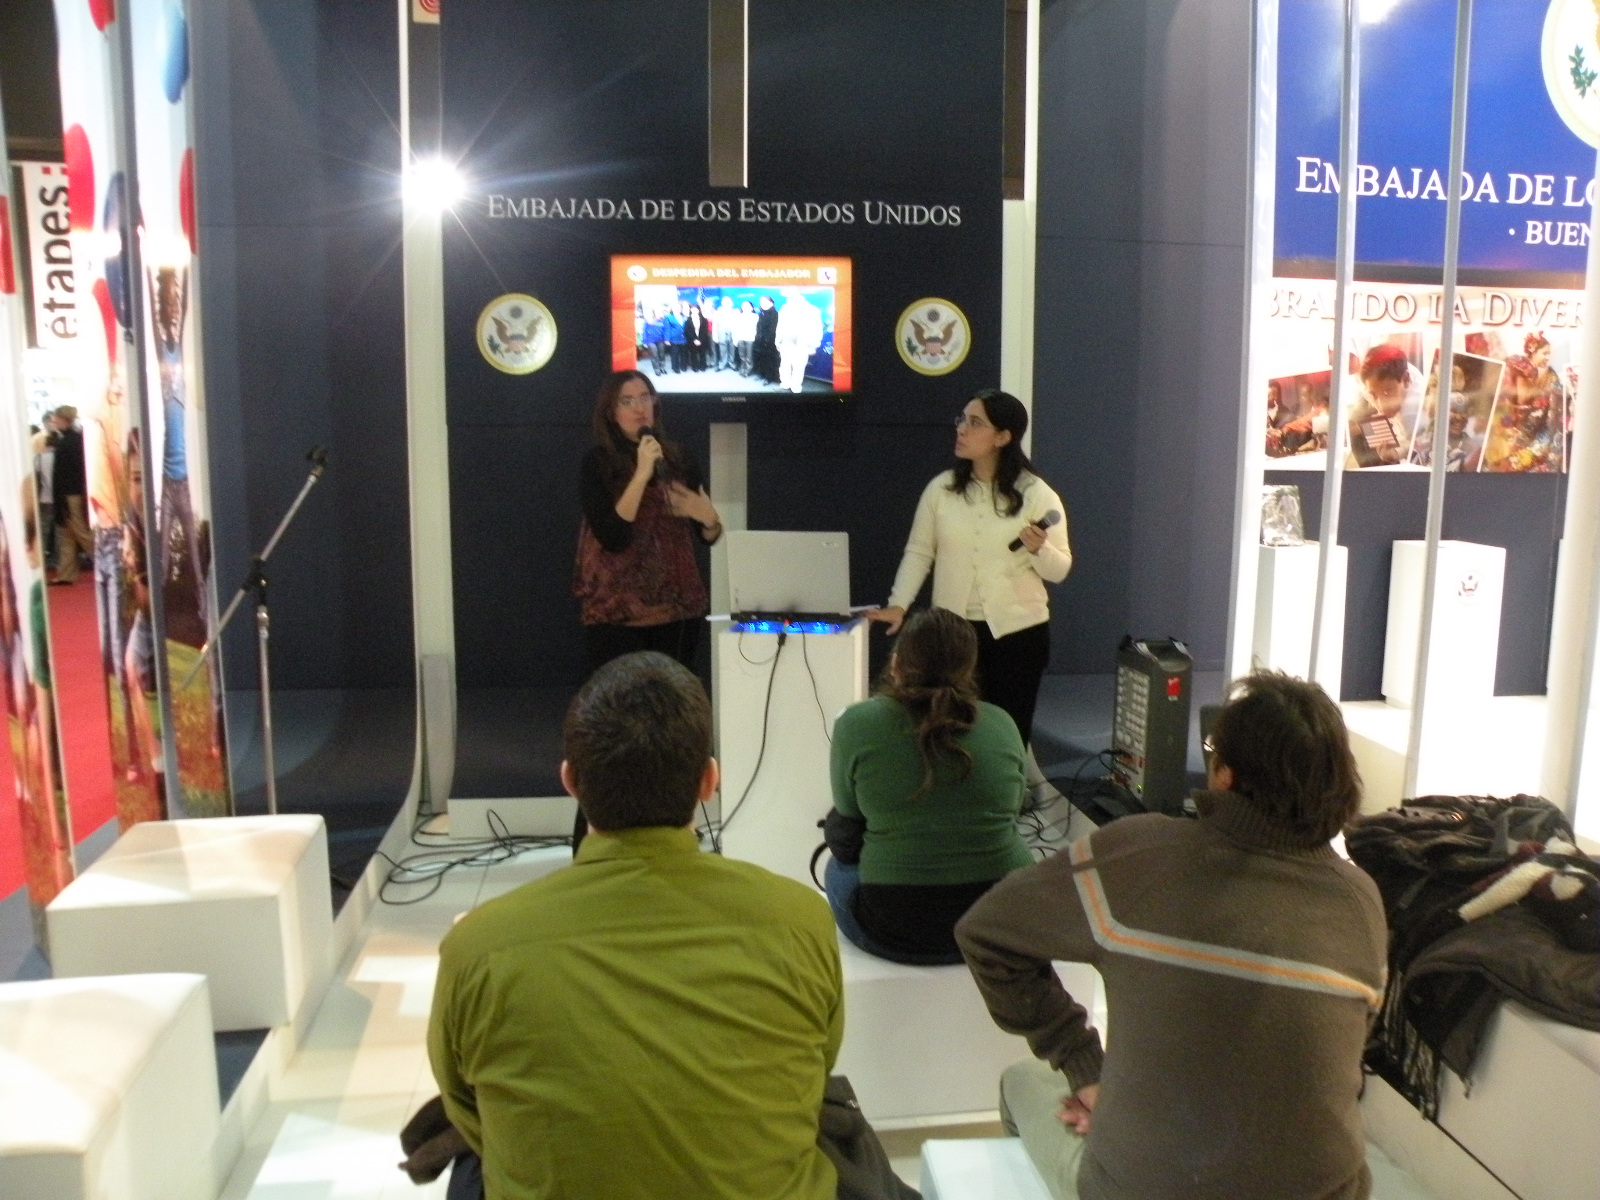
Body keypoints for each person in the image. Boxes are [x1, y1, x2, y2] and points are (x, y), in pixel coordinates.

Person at [428, 651, 844, 1200]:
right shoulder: (803, 920)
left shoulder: (477, 947)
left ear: (570, 781)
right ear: (710, 781)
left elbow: (467, 1107)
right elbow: (817, 1070)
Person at [956, 671, 1386, 1200]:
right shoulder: (1361, 900)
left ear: (1225, 776)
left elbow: (984, 932)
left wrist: (1084, 1064)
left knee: (1020, 1082)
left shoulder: (1137, 856)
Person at [826, 607, 1034, 964]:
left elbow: (847, 823)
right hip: (1000, 923)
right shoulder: (1001, 723)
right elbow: (1012, 812)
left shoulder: (856, 724)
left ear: (896, 664)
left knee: (838, 868)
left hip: (892, 928)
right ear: (967, 671)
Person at [869, 389, 1071, 746]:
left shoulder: (1037, 493)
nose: (961, 429)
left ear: (1003, 436)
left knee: (1008, 735)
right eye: (961, 419)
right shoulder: (941, 489)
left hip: (1018, 633)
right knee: (949, 732)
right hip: (951, 637)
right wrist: (899, 604)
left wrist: (1040, 550)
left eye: (975, 423)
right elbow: (919, 552)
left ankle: (1007, 799)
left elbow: (1060, 570)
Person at [572, 370, 721, 847]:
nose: (639, 408)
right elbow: (614, 536)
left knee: (673, 732)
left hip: (678, 615)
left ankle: (673, 843)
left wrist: (709, 517)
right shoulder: (597, 465)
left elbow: (710, 534)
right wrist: (639, 472)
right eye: (627, 401)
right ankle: (594, 845)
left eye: (645, 399)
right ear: (611, 414)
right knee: (613, 733)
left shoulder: (680, 461)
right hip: (617, 618)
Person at [1348, 343, 1413, 467]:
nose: (1382, 405)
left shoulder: (1416, 410)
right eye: (1374, 395)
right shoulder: (1366, 392)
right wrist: (1395, 453)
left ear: (1406, 380)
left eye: (1388, 391)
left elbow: (1418, 444)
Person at [50, 405, 93, 583]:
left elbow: (65, 473)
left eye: (56, 419)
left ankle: (107, 562)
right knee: (66, 534)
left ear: (64, 419)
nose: (53, 422)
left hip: (70, 494)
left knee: (80, 532)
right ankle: (66, 574)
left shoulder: (68, 442)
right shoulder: (75, 440)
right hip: (71, 493)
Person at [776, 290, 825, 392]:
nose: (790, 298)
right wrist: (778, 341)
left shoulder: (812, 310)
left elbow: (817, 328)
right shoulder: (784, 309)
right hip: (786, 342)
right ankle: (785, 383)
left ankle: (795, 386)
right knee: (784, 364)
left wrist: (814, 345)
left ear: (801, 296)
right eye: (789, 296)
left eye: (793, 295)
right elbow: (780, 326)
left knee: (798, 366)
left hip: (803, 343)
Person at [752, 294, 780, 383]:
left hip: (769, 343)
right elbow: (758, 327)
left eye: (765, 302)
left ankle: (769, 378)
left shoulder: (775, 314)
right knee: (761, 359)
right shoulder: (761, 314)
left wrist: (766, 340)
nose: (763, 303)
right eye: (761, 302)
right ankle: (761, 374)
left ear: (771, 303)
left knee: (769, 361)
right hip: (760, 341)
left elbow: (773, 330)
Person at [683, 300, 710, 371]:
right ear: (691, 310)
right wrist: (694, 340)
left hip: (702, 339)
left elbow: (705, 331)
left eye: (696, 309)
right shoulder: (687, 320)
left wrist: (700, 340)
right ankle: (695, 367)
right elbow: (687, 331)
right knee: (693, 354)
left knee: (702, 353)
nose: (694, 310)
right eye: (693, 309)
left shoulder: (704, 319)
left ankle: (703, 366)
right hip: (692, 340)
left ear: (698, 310)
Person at [734, 298, 757, 375]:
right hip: (741, 338)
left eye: (748, 306)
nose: (745, 307)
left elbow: (757, 328)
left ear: (751, 307)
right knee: (742, 355)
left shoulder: (755, 316)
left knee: (749, 356)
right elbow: (736, 328)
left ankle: (748, 370)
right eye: (744, 306)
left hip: (750, 338)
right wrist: (735, 339)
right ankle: (742, 367)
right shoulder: (738, 316)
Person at [662, 300, 685, 373]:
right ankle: (675, 368)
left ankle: (683, 366)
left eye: (679, 308)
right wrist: (667, 339)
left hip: (684, 338)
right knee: (675, 354)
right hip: (674, 338)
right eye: (675, 308)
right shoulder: (668, 317)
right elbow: (667, 329)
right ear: (672, 309)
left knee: (683, 353)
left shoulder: (683, 316)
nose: (677, 309)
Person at [715, 295, 736, 370]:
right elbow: (715, 324)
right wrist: (715, 336)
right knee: (722, 349)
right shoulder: (718, 312)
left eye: (728, 301)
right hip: (721, 332)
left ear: (731, 303)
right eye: (724, 301)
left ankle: (732, 363)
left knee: (732, 348)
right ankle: (722, 364)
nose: (726, 303)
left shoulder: (735, 312)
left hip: (732, 333)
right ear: (722, 303)